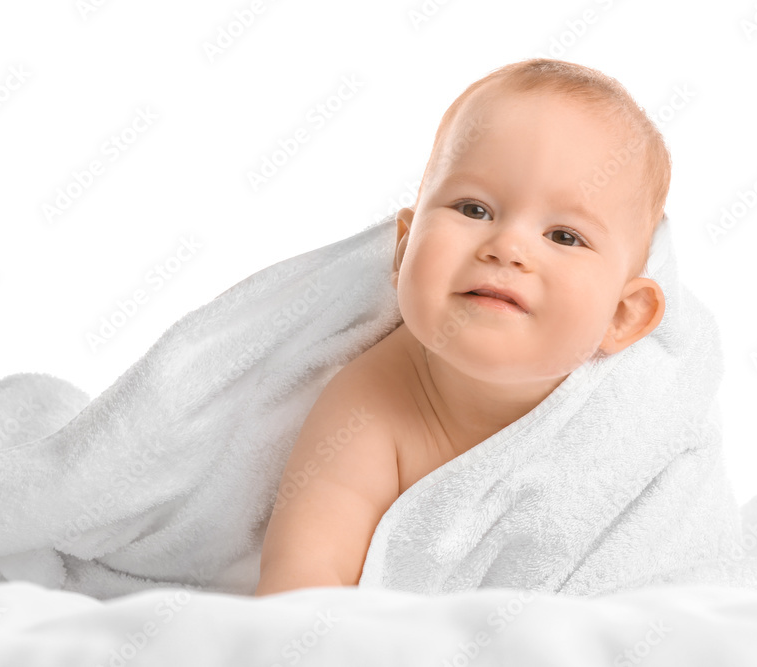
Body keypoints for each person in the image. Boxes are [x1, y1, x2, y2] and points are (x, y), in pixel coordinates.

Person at [254, 58, 669, 597]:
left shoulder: (636, 424)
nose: (508, 247)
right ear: (404, 249)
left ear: (622, 316)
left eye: (564, 236)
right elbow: (302, 584)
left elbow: (658, 586)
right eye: (474, 208)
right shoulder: (372, 403)